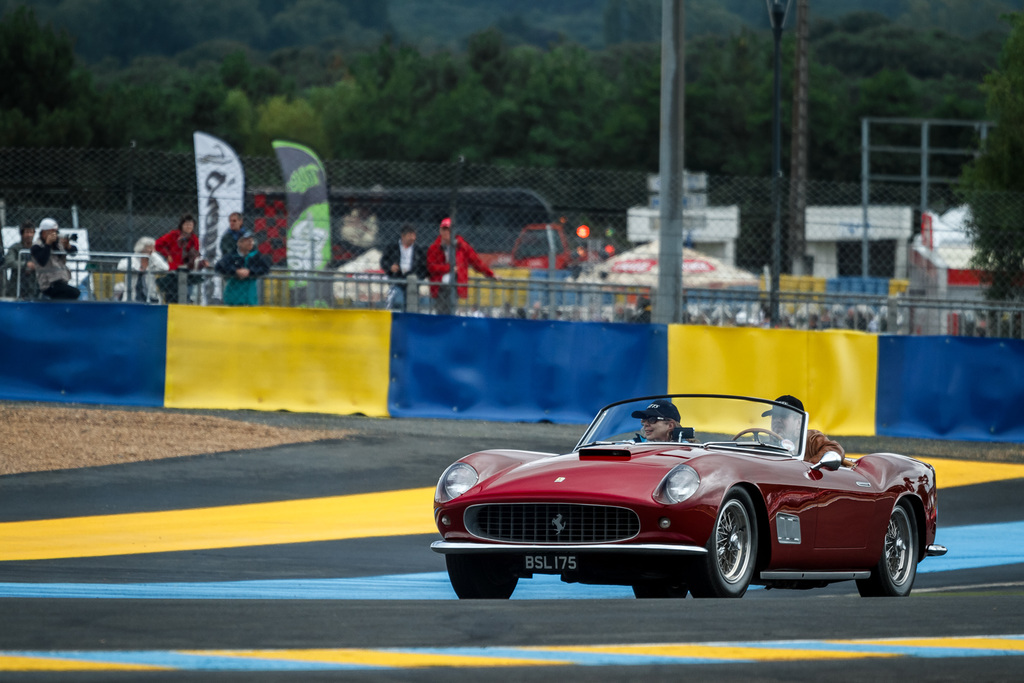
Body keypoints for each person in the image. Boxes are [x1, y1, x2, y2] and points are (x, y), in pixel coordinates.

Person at [426, 217, 497, 315]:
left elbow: (476, 262)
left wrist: (490, 274)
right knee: (441, 313)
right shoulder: (434, 247)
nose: (446, 232)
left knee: (451, 313)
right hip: (439, 286)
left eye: (449, 229)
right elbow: (431, 267)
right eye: (444, 229)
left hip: (455, 285)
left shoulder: (462, 246)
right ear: (440, 231)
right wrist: (449, 268)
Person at [763, 394, 855, 467]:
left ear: (799, 422)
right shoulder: (765, 445)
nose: (777, 420)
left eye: (783, 416)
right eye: (774, 416)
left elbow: (834, 449)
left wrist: (808, 466)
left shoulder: (811, 439)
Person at [155, 214, 208, 303]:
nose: (189, 226)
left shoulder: (194, 239)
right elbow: (158, 244)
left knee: (186, 295)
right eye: (186, 224)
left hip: (188, 271)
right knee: (171, 296)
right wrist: (167, 255)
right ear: (181, 225)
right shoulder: (173, 235)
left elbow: (196, 254)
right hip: (174, 269)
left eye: (191, 224)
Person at [215, 228, 269, 306]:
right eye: (247, 240)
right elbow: (219, 266)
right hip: (233, 298)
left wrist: (250, 272)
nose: (251, 242)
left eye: (251, 240)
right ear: (239, 242)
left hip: (250, 298)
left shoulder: (256, 255)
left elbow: (265, 268)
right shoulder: (232, 255)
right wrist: (236, 271)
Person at [379, 224, 428, 311]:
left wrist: (418, 278)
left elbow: (423, 267)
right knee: (398, 302)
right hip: (396, 279)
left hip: (412, 281)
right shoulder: (392, 248)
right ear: (403, 236)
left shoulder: (419, 250)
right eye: (410, 235)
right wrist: (390, 267)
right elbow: (383, 261)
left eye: (414, 235)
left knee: (412, 306)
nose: (413, 238)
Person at [30, 218, 80, 300]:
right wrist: (48, 244)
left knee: (69, 295)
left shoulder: (57, 244)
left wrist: (68, 246)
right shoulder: (37, 246)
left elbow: (74, 252)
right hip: (48, 283)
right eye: (52, 231)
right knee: (74, 293)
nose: (55, 234)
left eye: (56, 231)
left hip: (61, 280)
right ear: (44, 232)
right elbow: (42, 261)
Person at [116, 236, 169, 303]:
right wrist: (136, 269)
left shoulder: (153, 261)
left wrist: (154, 254)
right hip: (132, 296)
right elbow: (120, 267)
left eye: (153, 247)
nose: (151, 250)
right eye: (149, 247)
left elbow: (165, 268)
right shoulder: (133, 259)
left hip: (150, 295)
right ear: (142, 248)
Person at [3, 221, 38, 299]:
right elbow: (9, 261)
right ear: (22, 233)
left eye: (31, 232)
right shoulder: (15, 248)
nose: (29, 235)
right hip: (17, 284)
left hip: (34, 284)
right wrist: (25, 265)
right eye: (27, 232)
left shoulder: (37, 248)